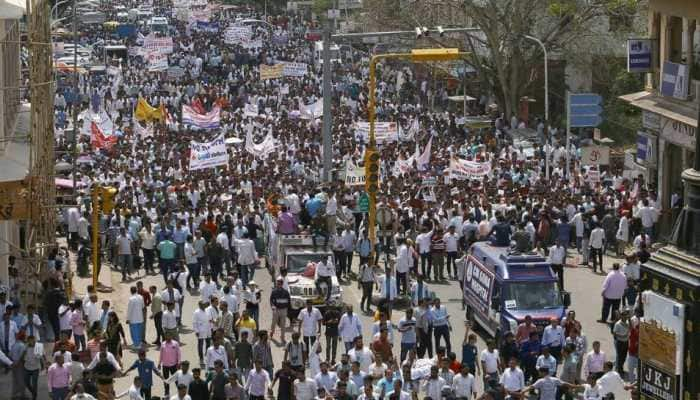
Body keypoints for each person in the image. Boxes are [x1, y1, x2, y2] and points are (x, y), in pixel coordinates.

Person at [269, 277, 290, 342]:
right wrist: (272, 306)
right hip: (276, 310)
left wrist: (286, 308)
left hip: (284, 310)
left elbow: (288, 301)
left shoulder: (286, 292)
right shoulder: (274, 292)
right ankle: (271, 333)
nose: (278, 285)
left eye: (279, 284)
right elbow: (271, 300)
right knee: (273, 323)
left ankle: (282, 337)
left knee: (283, 324)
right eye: (277, 283)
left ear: (282, 284)